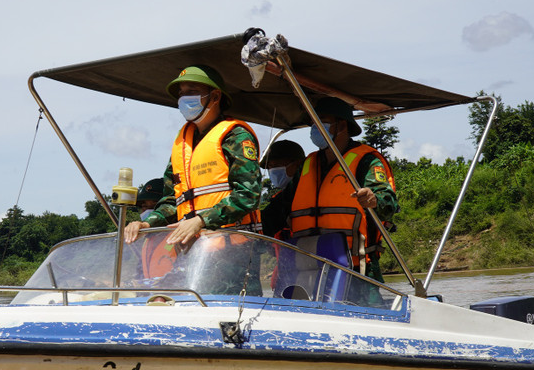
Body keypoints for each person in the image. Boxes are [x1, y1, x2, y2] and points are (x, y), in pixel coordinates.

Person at [123, 65, 262, 247]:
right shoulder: (182, 145)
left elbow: (248, 194)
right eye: (181, 93)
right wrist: (147, 223)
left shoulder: (235, 136)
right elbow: (172, 200)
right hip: (193, 251)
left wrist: (201, 220)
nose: (184, 98)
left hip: (235, 249)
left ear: (215, 96)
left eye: (193, 91)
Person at [266, 97, 397, 285]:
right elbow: (277, 211)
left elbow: (389, 203)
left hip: (357, 271)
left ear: (341, 125)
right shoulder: (308, 165)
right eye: (313, 123)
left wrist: (373, 199)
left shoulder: (366, 161)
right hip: (308, 268)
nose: (314, 128)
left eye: (321, 121)